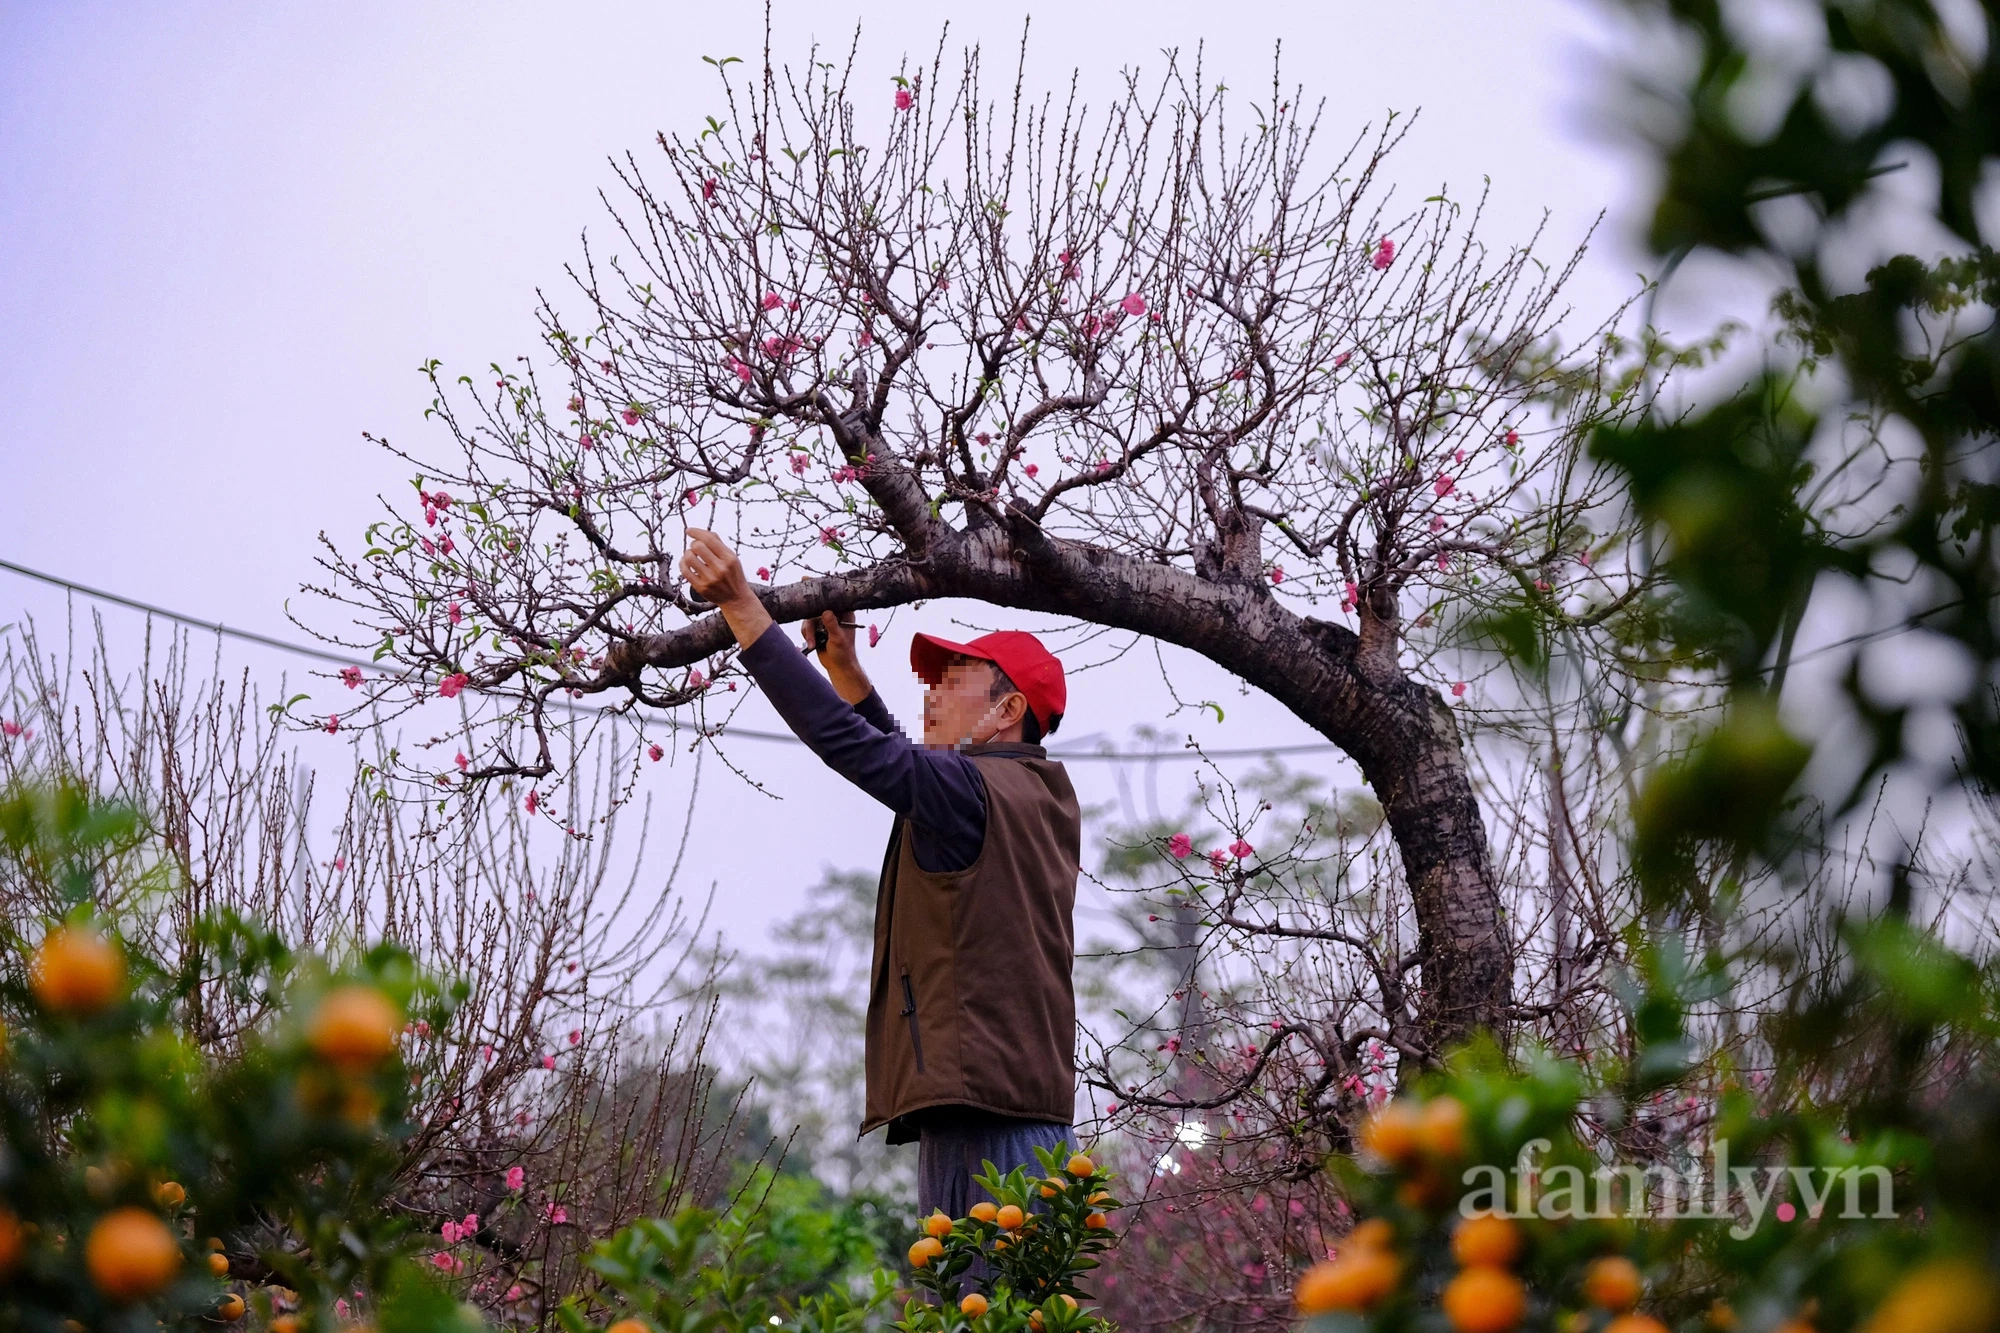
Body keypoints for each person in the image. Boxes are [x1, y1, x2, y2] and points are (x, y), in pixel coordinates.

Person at [679, 529, 1082, 1221]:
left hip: (989, 1124)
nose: (931, 693)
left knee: (979, 1315)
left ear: (1007, 710)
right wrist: (848, 673)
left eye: (954, 681)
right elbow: (900, 759)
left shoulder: (969, 791)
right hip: (1013, 1113)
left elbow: (858, 751)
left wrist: (745, 608)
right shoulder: (1031, 792)